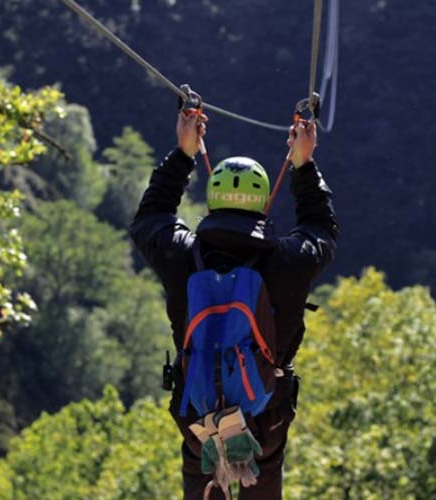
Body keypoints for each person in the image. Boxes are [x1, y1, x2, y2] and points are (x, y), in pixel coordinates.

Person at [130, 110, 337, 499]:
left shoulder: (182, 256)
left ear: (211, 203)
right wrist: (303, 166)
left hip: (198, 411)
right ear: (262, 205)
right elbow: (321, 229)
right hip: (266, 412)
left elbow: (150, 219)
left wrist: (183, 154)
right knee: (265, 468)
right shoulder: (290, 261)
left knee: (200, 469)